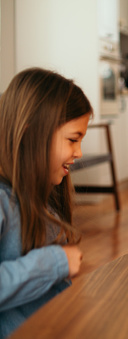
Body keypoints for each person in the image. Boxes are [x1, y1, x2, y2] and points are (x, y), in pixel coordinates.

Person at [0, 68, 92, 338]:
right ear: (30, 135)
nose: (79, 152)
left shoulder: (39, 198)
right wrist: (54, 263)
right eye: (73, 140)